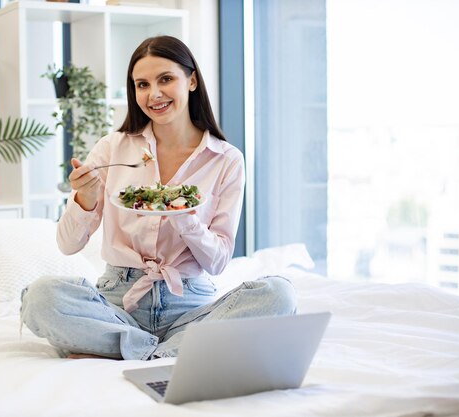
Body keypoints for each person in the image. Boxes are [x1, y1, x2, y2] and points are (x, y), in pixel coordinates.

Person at [20, 35, 296, 360]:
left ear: (191, 80)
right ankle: (169, 354)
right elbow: (67, 245)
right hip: (117, 302)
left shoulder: (225, 159)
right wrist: (86, 197)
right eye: (142, 84)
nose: (154, 94)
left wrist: (183, 215)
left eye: (166, 79)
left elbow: (218, 262)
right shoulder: (113, 148)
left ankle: (128, 348)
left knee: (279, 294)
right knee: (40, 297)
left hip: (191, 307)